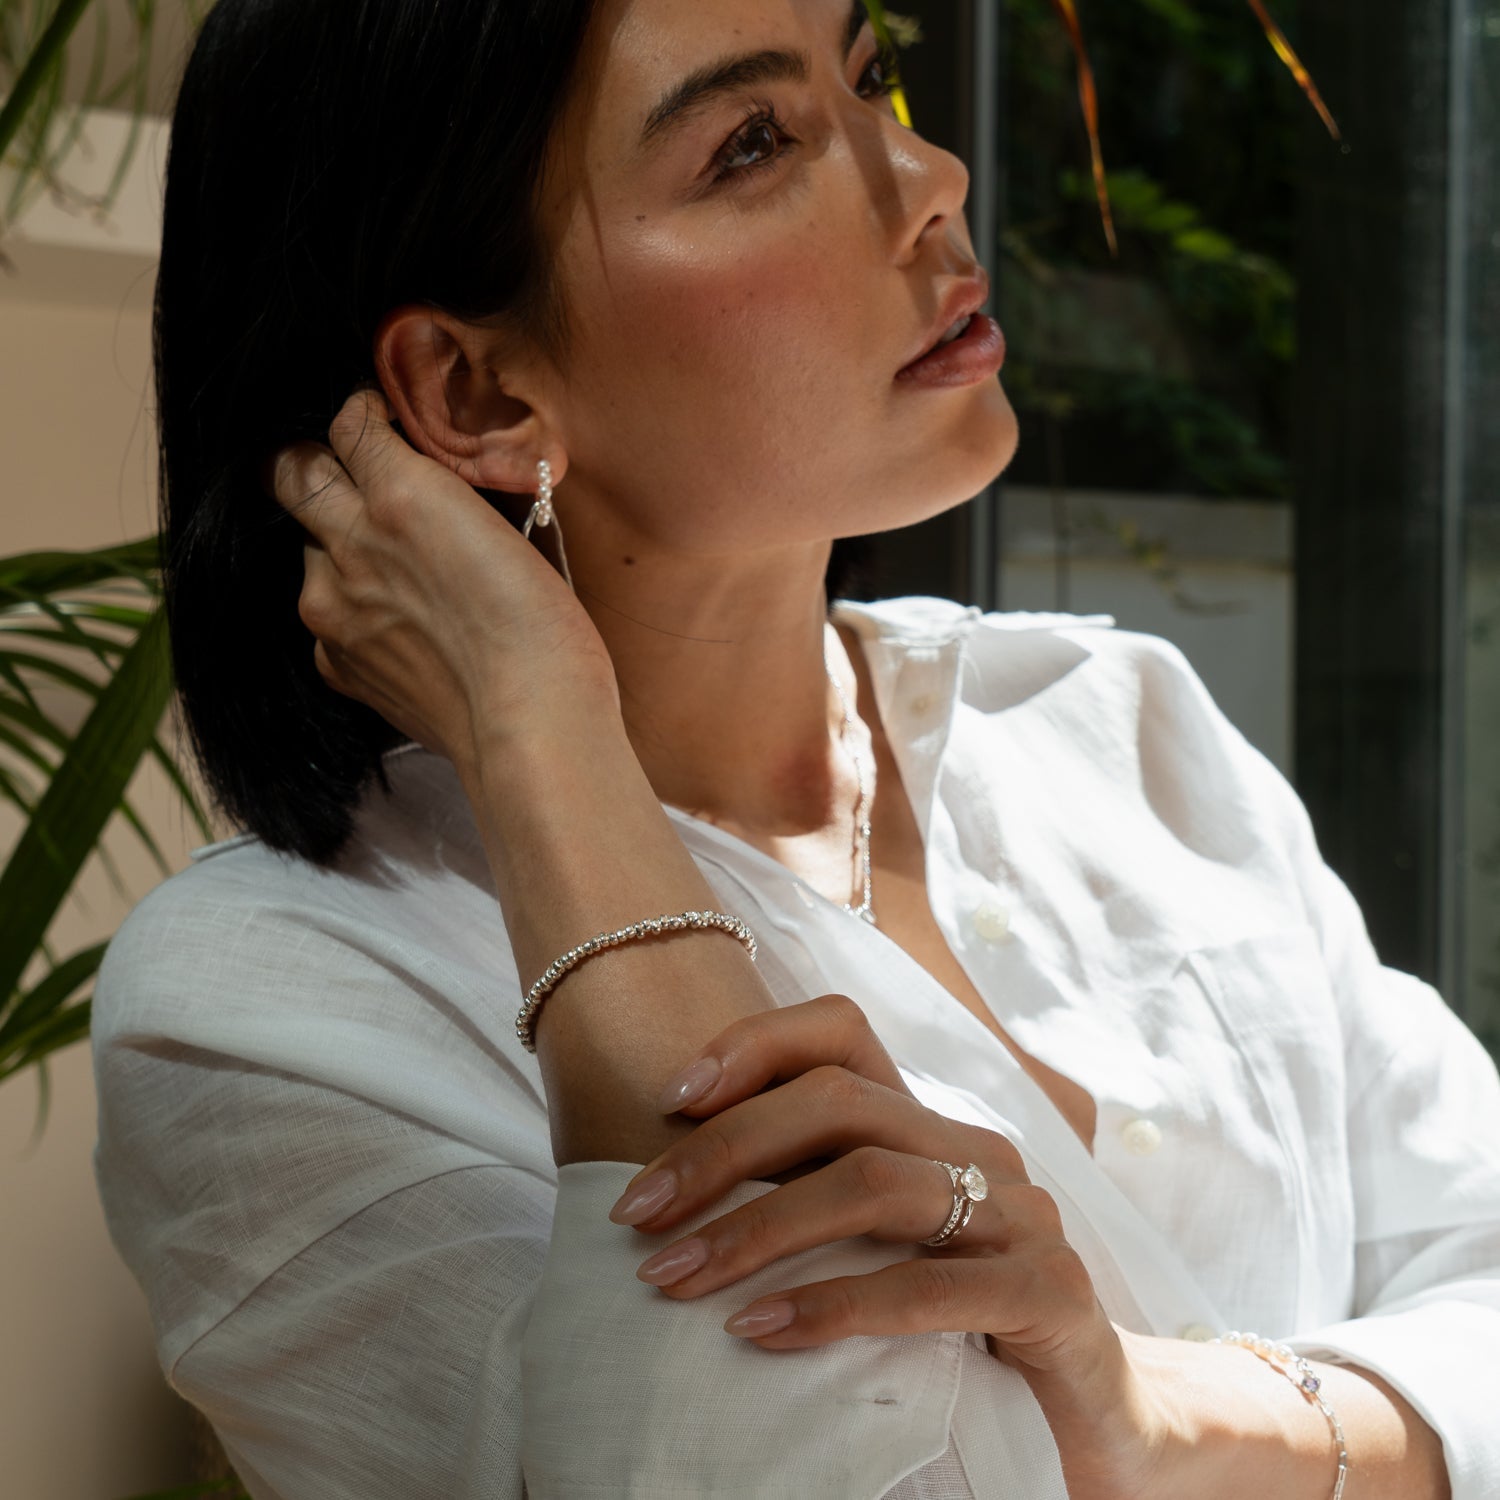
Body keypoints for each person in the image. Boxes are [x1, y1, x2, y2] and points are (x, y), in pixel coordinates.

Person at [90, 0, 1500, 1496]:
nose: (934, 176)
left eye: (872, 74)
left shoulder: (1110, 722)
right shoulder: (274, 1005)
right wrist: (540, 729)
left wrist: (1170, 1423)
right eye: (753, 143)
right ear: (476, 392)